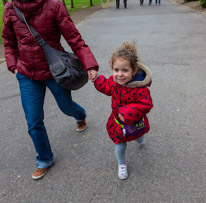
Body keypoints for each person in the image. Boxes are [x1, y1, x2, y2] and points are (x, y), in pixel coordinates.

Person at [2, 0, 98, 180]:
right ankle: (45, 159)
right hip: (26, 73)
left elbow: (74, 38)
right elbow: (9, 41)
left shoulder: (54, 5)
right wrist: (14, 66)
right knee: (33, 120)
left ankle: (80, 115)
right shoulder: (10, 8)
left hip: (56, 71)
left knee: (66, 107)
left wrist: (90, 64)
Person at [91, 41, 153, 180]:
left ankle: (140, 138)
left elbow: (146, 104)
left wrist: (126, 112)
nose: (120, 74)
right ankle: (122, 164)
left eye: (125, 70)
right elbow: (105, 86)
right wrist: (96, 79)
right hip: (118, 123)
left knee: (137, 137)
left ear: (134, 71)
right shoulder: (113, 82)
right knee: (120, 145)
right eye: (116, 70)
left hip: (134, 122)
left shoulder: (140, 88)